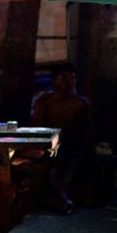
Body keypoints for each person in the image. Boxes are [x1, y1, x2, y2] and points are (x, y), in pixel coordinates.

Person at [30, 63, 92, 214]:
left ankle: (62, 197)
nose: (69, 83)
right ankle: (62, 198)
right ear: (54, 81)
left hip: (73, 146)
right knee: (48, 162)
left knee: (74, 159)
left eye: (72, 79)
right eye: (64, 79)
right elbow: (37, 127)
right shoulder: (43, 101)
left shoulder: (81, 103)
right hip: (49, 145)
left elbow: (87, 131)